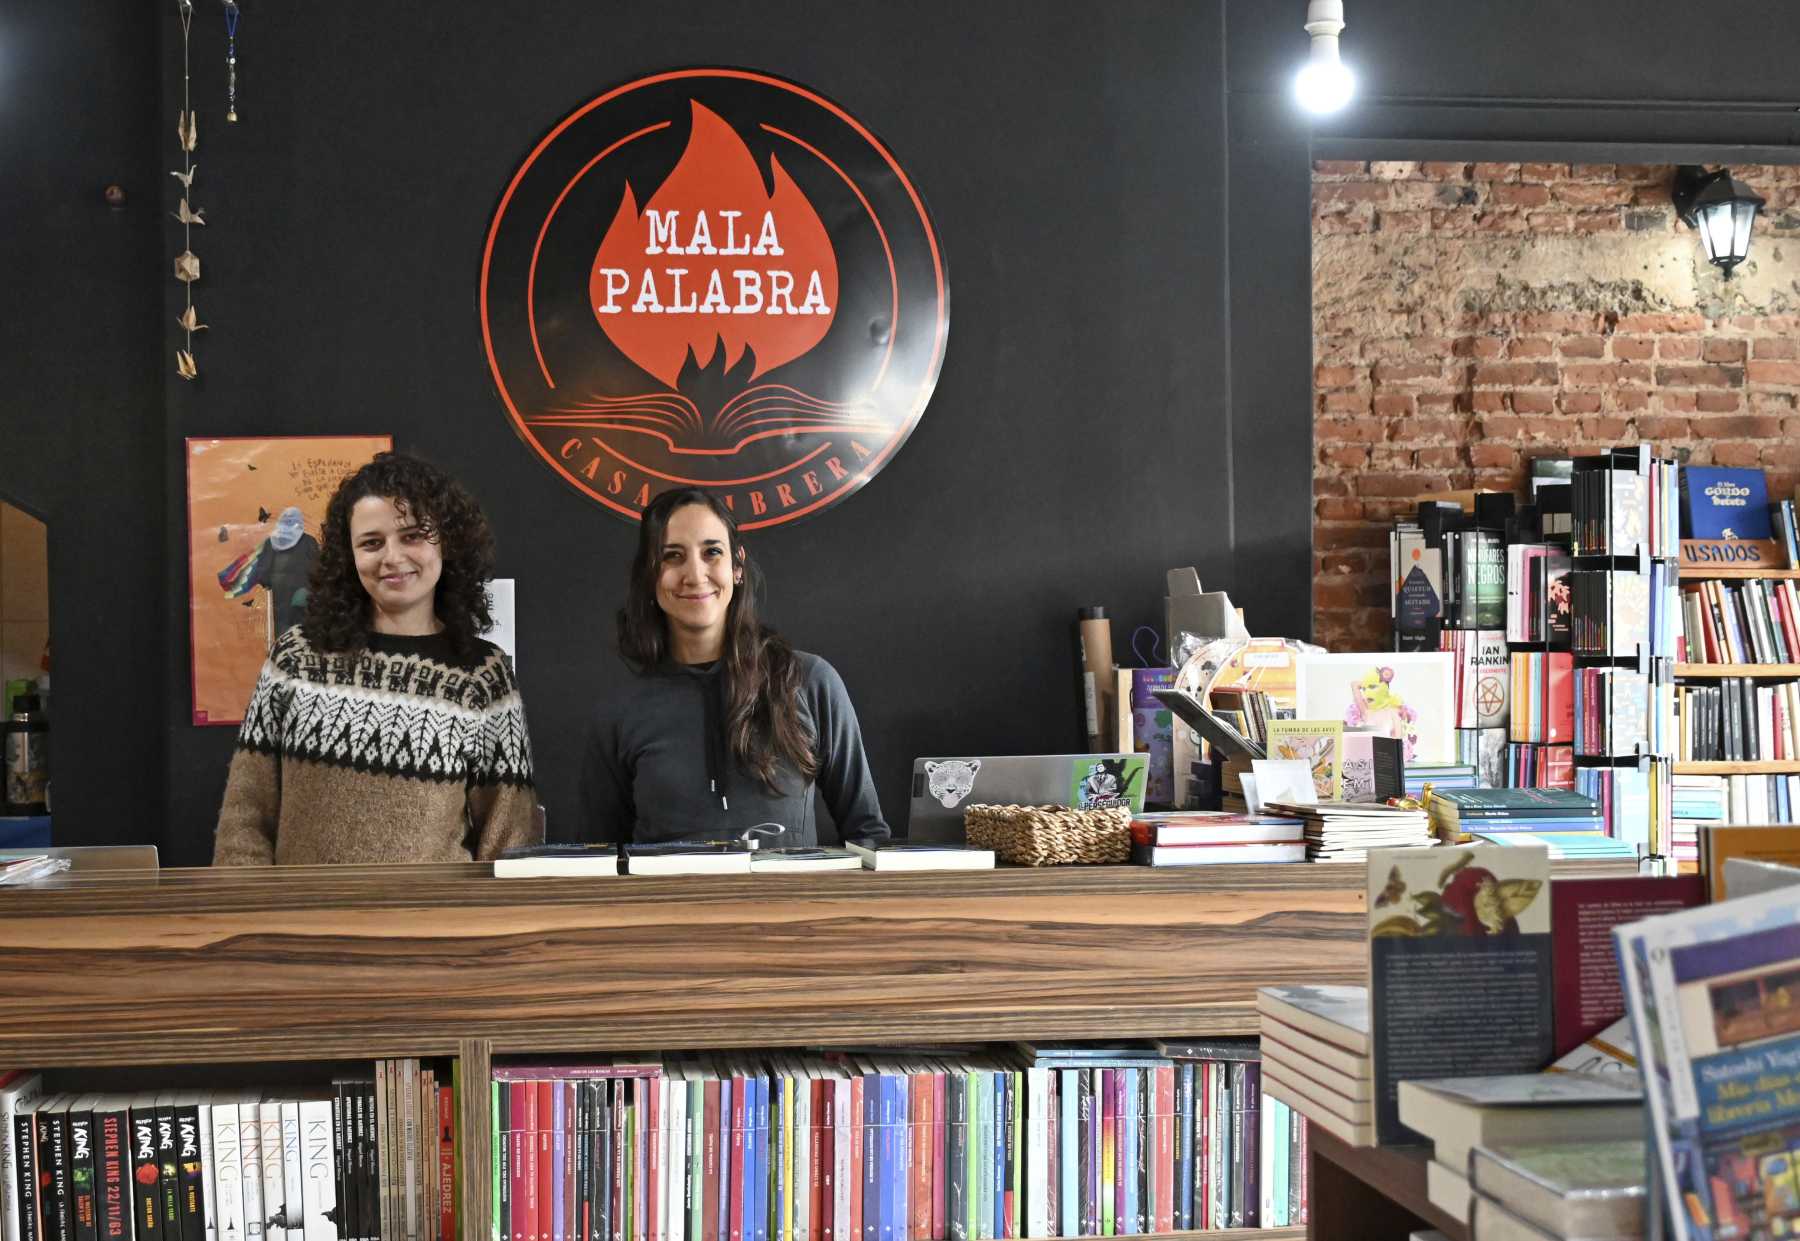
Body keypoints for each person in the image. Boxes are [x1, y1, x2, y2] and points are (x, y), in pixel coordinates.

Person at [213, 452, 540, 865]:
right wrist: (255, 919)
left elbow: (509, 838)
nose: (392, 557)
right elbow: (245, 819)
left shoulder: (481, 674)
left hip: (434, 926)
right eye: (371, 543)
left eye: (412, 536)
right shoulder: (297, 655)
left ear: (447, 542)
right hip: (300, 926)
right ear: (349, 557)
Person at [580, 488, 890, 848]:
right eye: (672, 556)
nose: (695, 575)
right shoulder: (619, 713)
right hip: (669, 906)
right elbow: (596, 860)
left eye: (712, 552)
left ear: (737, 566)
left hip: (792, 904)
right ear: (650, 576)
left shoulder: (809, 682)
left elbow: (868, 836)